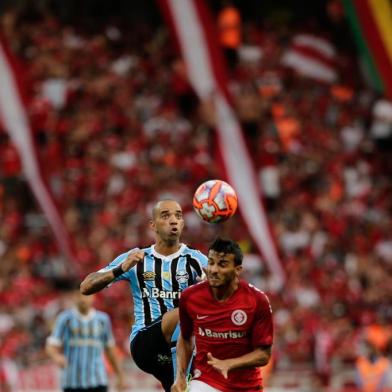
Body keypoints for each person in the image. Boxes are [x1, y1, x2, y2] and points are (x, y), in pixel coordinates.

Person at [80, 199, 208, 391]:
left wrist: (213, 286)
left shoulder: (197, 260)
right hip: (145, 342)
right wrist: (120, 269)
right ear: (153, 225)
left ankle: (180, 381)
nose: (173, 220)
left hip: (181, 350)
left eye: (178, 216)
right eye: (166, 216)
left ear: (182, 223)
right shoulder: (137, 258)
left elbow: (227, 294)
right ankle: (181, 379)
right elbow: (86, 286)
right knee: (184, 311)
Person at [171, 238, 273, 392]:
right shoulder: (190, 297)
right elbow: (185, 338)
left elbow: (264, 354)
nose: (213, 269)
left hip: (247, 386)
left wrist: (230, 363)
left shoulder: (257, 300)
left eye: (222, 264)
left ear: (238, 269)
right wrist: (180, 376)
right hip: (206, 381)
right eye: (211, 262)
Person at [46, 289, 124, 392]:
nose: (83, 299)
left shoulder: (103, 319)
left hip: (98, 380)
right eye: (79, 295)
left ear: (93, 297)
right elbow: (51, 344)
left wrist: (119, 375)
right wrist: (56, 357)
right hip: (72, 382)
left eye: (86, 295)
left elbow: (110, 349)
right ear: (74, 297)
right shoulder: (65, 318)